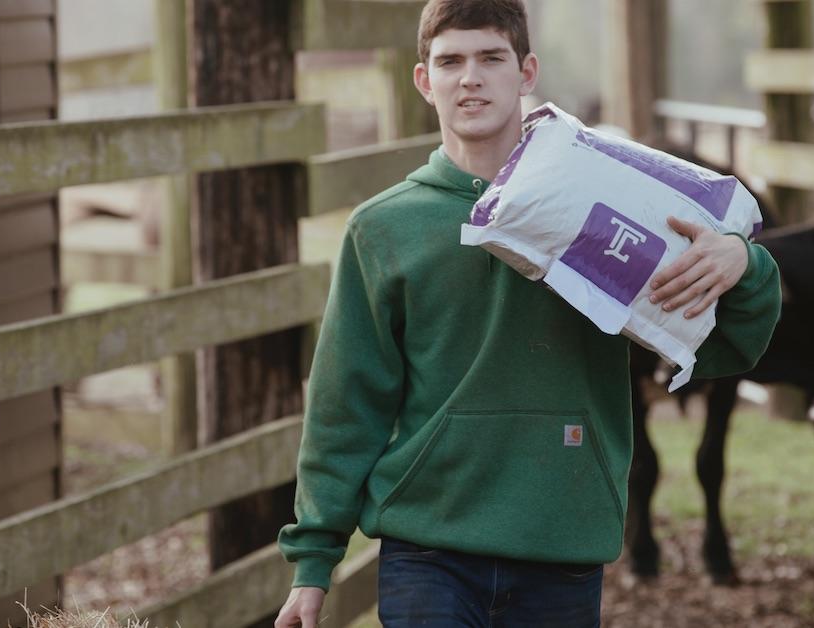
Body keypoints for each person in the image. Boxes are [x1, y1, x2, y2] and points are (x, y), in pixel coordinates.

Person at [275, 1, 781, 625]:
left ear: (527, 71)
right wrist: (313, 562)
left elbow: (730, 345)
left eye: (491, 58)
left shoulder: (601, 208)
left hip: (561, 543)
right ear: (423, 80)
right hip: (430, 547)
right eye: (450, 61)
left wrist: (744, 261)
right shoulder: (385, 228)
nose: (471, 78)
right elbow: (345, 403)